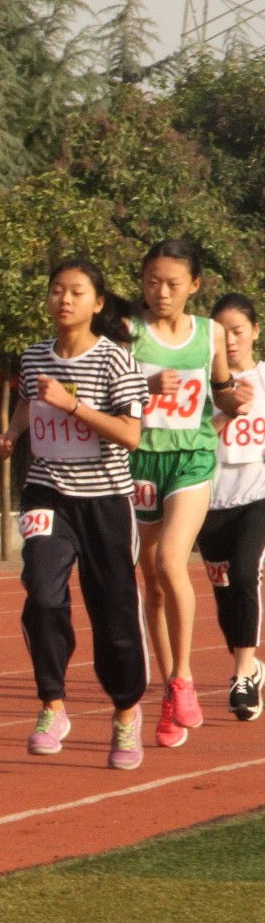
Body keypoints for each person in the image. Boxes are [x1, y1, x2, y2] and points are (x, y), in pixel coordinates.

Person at [0, 258, 150, 770]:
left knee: (115, 619)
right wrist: (14, 435)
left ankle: (126, 715)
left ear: (97, 303)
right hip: (48, 493)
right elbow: (27, 403)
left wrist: (71, 406)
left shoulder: (115, 361)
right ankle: (53, 706)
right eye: (57, 290)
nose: (64, 299)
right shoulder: (35, 356)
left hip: (105, 501)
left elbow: (129, 435)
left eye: (77, 292)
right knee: (41, 593)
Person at [129, 239, 249, 747]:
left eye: (174, 284)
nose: (162, 291)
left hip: (191, 458)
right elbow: (106, 391)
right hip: (139, 461)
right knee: (150, 581)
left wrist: (232, 398)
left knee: (172, 561)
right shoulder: (127, 333)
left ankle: (183, 678)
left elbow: (220, 388)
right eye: (153, 281)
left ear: (194, 286)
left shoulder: (209, 333)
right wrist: (146, 384)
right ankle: (167, 692)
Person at [197, 292, 265, 722]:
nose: (232, 341)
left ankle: (242, 672)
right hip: (207, 498)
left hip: (257, 494)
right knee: (224, 593)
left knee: (244, 573)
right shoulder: (200, 383)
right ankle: (249, 664)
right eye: (222, 334)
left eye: (238, 332)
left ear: (256, 331)